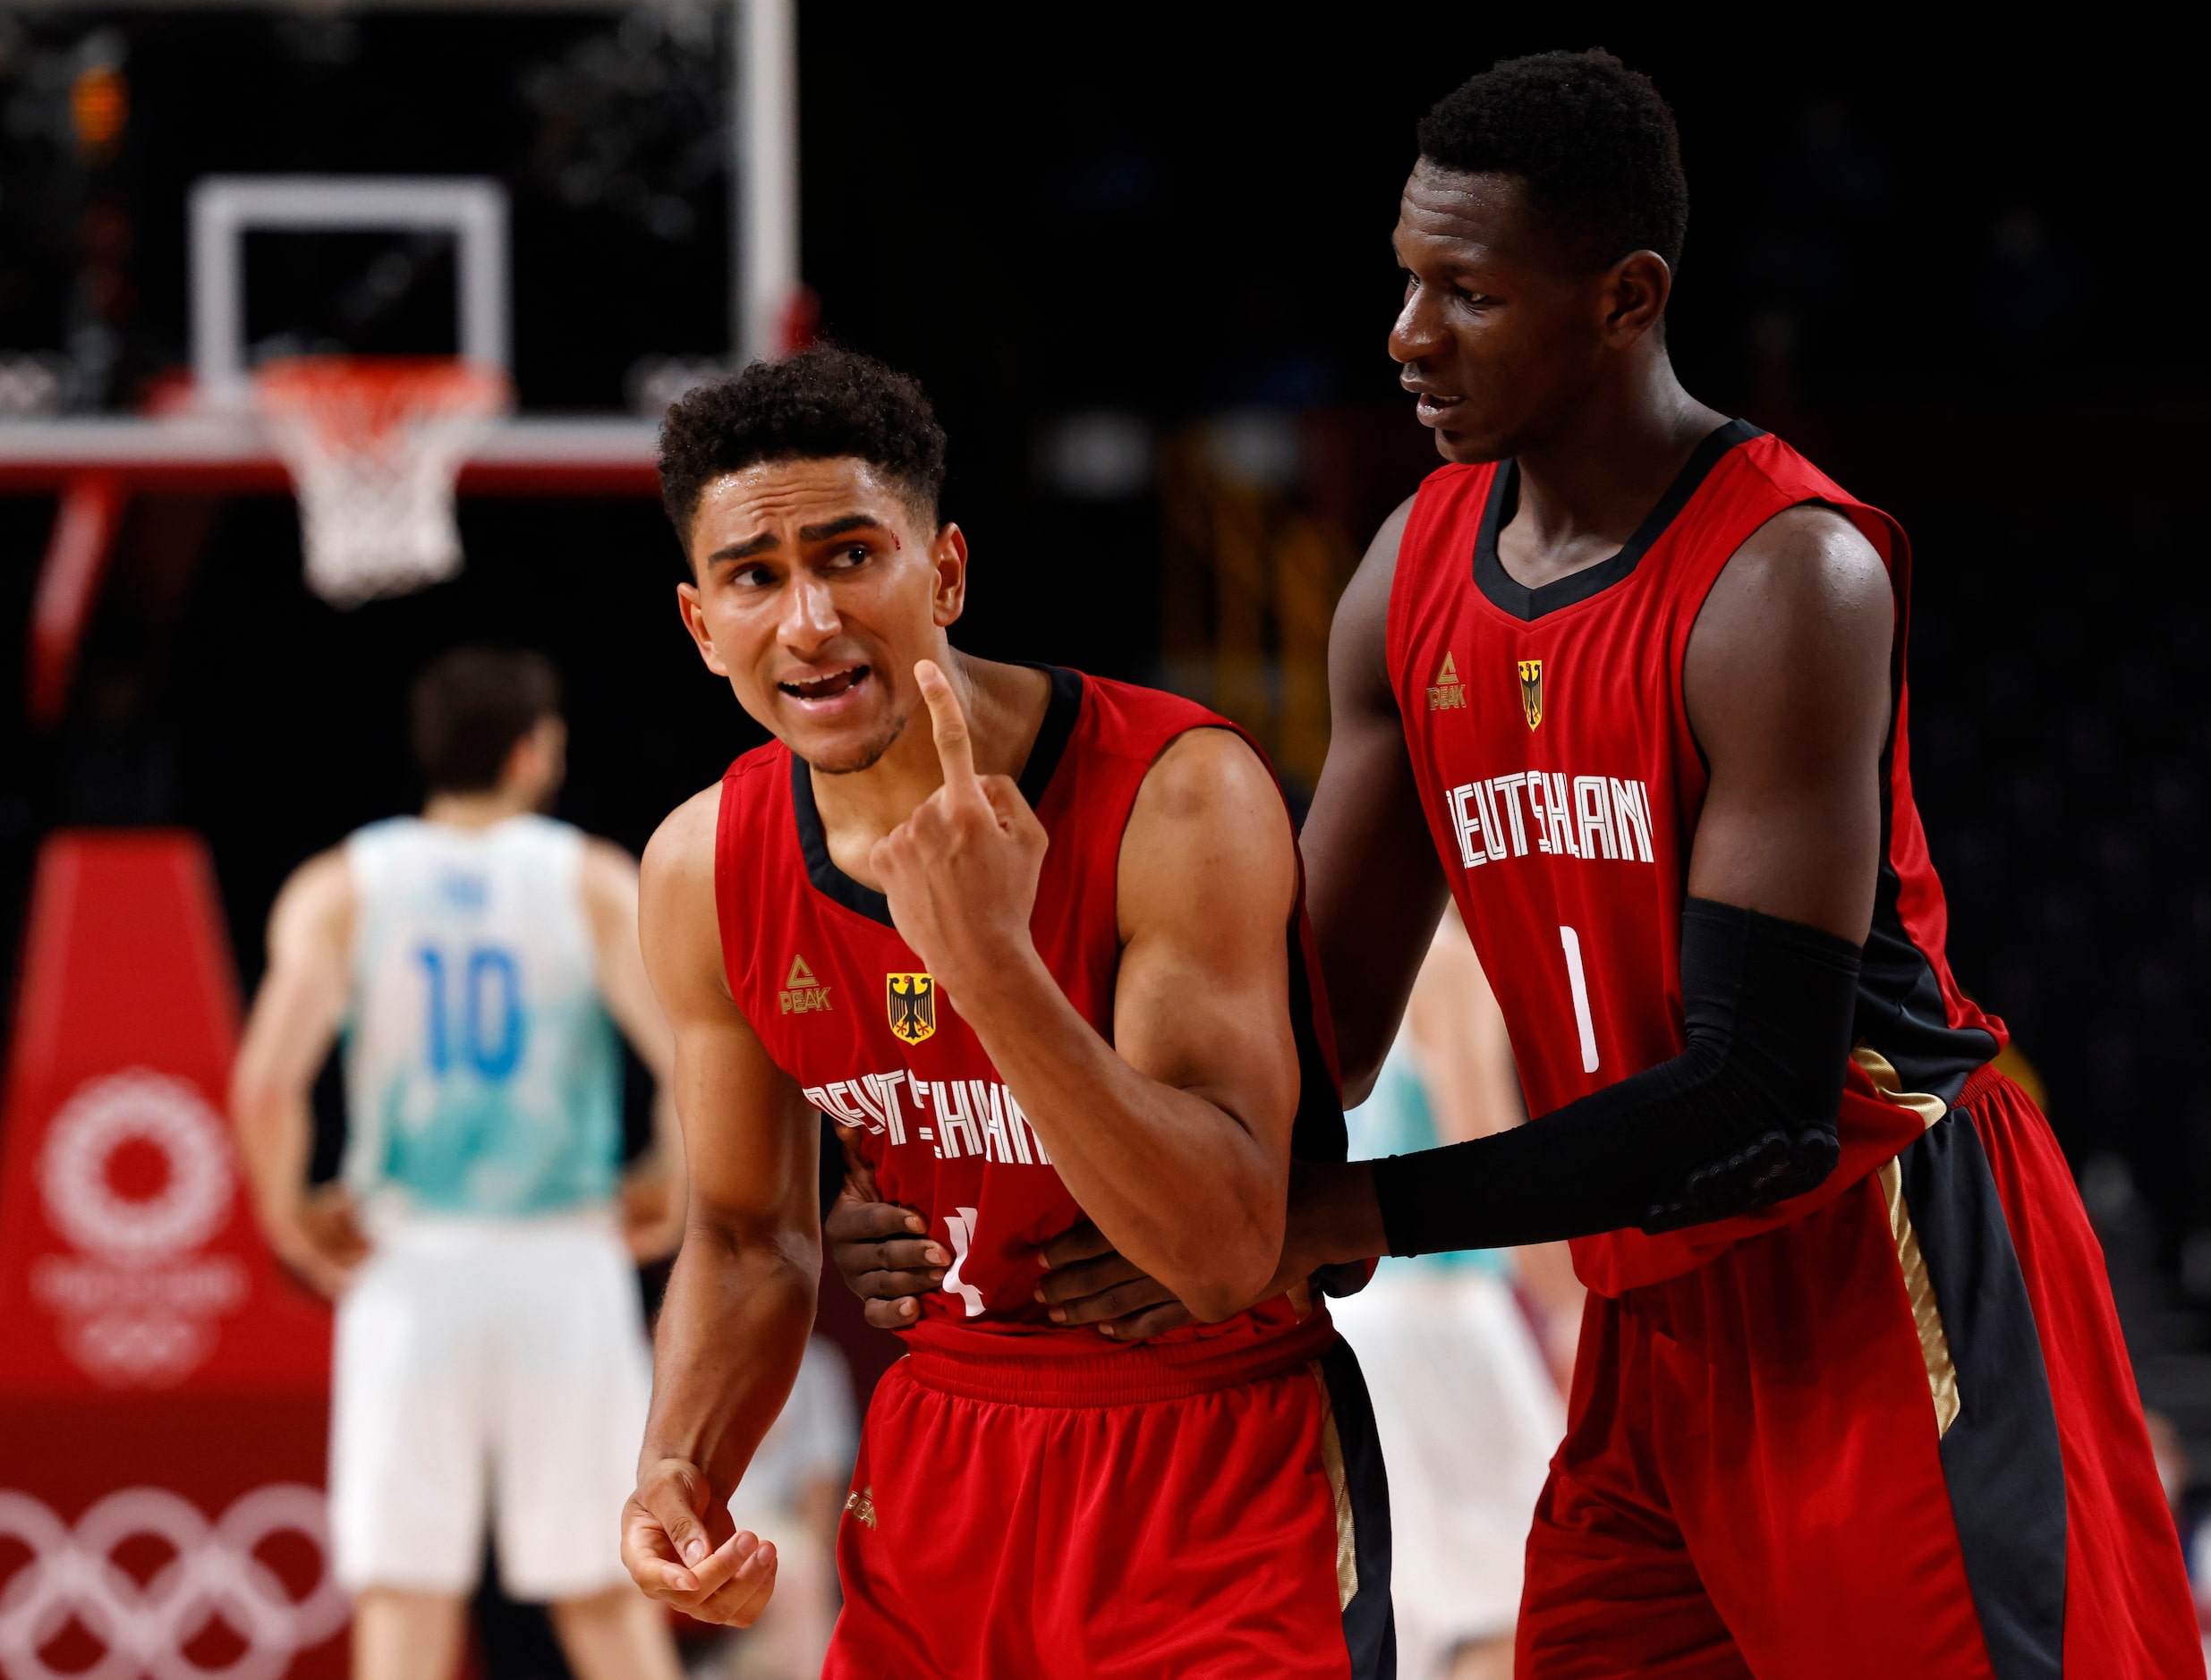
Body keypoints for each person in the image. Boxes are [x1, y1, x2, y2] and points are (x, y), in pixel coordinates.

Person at [831, 51, 2204, 1677]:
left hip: (1870, 1267)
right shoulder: (1410, 568)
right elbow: (1311, 1031)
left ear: (1626, 298)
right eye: (1406, 281)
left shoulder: (1788, 579)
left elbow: (1757, 1099)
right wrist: (968, 1187)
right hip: (1644, 1319)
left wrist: (1343, 1212)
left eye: (1468, 291)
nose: (1408, 336)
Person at [620, 346, 1391, 1677]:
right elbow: (749, 1239)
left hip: (1206, 1445)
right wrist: (677, 1467)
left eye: (849, 554)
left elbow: (1216, 1247)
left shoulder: (1175, 793)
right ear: (702, 626)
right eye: (755, 577)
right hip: (938, 1447)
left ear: (947, 572)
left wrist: (987, 967)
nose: (807, 619)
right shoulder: (704, 862)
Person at [230, 647, 686, 1680]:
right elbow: (692, 1057)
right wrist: (676, 1181)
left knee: (404, 1607)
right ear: (530, 754)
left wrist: (288, 1215)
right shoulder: (591, 879)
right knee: (607, 1603)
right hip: (564, 1262)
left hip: (410, 1267)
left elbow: (264, 1085)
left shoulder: (340, 886)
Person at [1327, 913, 1571, 1680]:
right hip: (1443, 1319)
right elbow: (1492, 1163)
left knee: (1423, 1621)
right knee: (1506, 1605)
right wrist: (1582, 1302)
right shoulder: (1450, 961)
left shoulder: (1335, 946)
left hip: (1356, 1322)